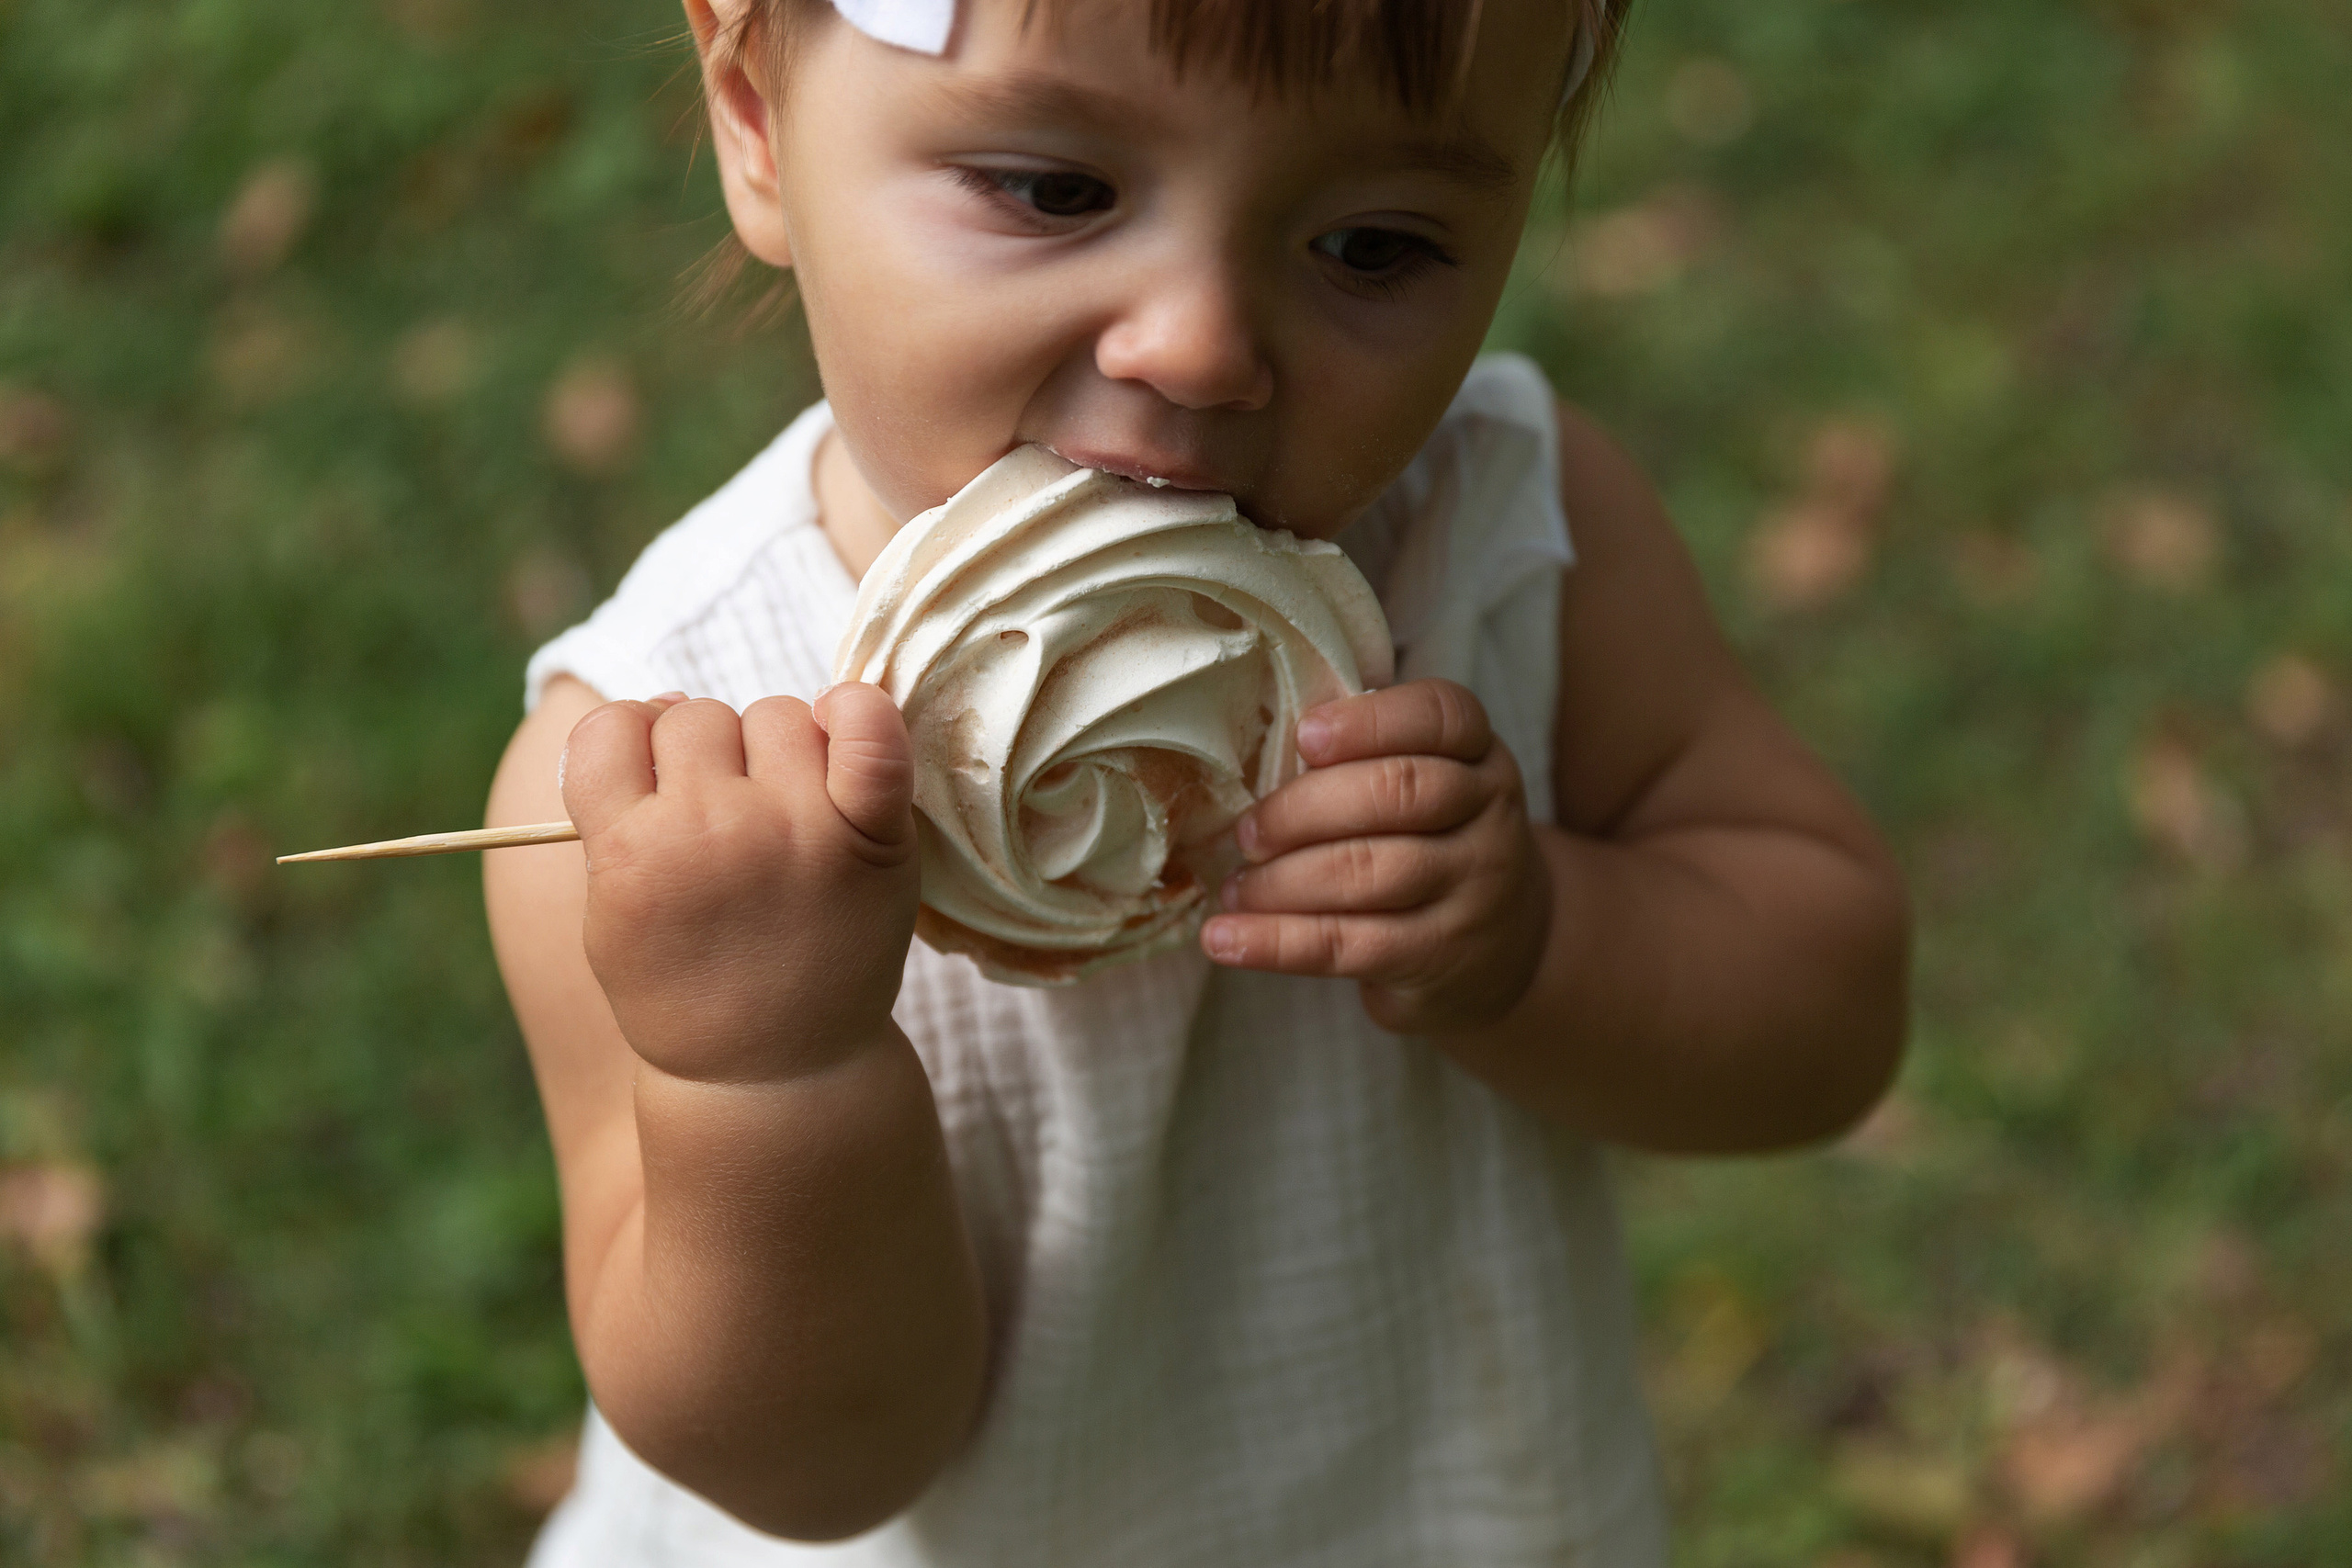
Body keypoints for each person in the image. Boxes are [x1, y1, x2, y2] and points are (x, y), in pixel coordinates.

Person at [483, 0, 1911, 1561]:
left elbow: (1832, 1025)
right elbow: (819, 1475)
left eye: (1373, 245)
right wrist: (762, 1072)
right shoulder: (655, 772)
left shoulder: (1503, 541)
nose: (1204, 344)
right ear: (757, 118)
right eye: (1055, 191)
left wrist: (1541, 939)